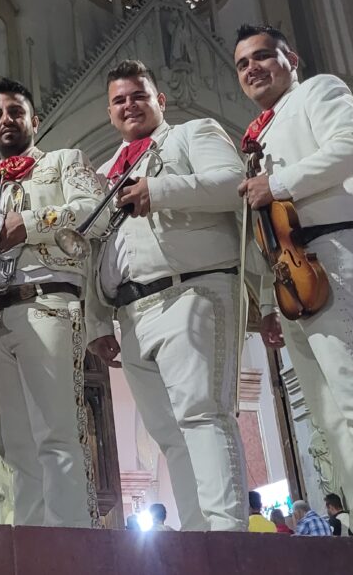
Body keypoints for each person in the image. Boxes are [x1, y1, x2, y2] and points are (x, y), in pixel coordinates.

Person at [234, 24, 353, 537]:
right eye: (243, 63)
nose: (252, 68)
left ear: (290, 58)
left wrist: (276, 182)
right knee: (328, 410)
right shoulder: (262, 131)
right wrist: (270, 308)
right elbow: (264, 228)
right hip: (292, 271)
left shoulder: (320, 90)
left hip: (336, 246)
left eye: (262, 56)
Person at [85, 59, 249, 532]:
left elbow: (231, 185)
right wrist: (97, 321)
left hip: (192, 289)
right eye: (119, 100)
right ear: (109, 112)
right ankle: (200, 537)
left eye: (139, 95)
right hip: (131, 312)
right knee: (169, 435)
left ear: (161, 100)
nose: (129, 105)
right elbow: (97, 252)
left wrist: (157, 189)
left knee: (203, 415)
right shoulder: (103, 171)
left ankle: (229, 537)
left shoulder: (192, 134)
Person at [0, 78, 105, 528]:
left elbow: (96, 207)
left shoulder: (64, 162)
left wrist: (30, 223)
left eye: (15, 112)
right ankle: (30, 541)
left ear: (34, 120)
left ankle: (69, 545)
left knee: (56, 435)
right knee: (14, 444)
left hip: (48, 305)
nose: (7, 120)